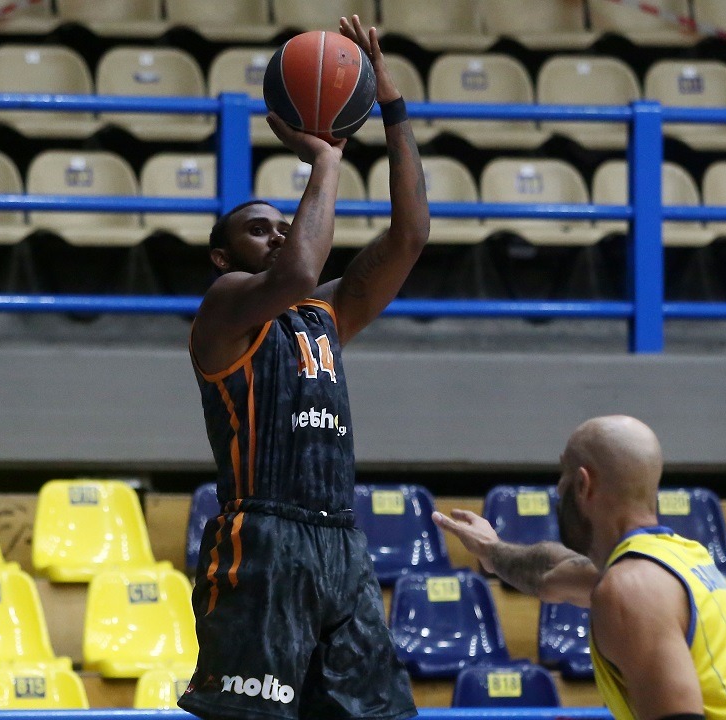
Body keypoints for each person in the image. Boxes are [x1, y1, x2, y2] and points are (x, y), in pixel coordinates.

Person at [177, 15, 427, 720]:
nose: (278, 232)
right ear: (223, 257)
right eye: (258, 229)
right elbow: (296, 272)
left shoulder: (325, 313)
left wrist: (392, 107)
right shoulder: (225, 307)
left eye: (284, 225)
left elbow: (410, 236)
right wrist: (326, 159)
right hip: (261, 543)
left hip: (339, 543)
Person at [433, 416, 726, 720]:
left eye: (563, 474)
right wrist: (492, 551)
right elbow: (551, 573)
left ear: (583, 484)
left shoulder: (632, 590)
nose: (558, 488)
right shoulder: (679, 558)